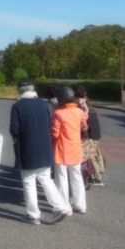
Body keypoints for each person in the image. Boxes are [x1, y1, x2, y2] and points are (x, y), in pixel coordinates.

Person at [10, 80, 69, 225]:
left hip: (27, 148)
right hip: (45, 147)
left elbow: (14, 129)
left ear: (20, 91)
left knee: (29, 181)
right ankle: (60, 207)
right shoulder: (44, 104)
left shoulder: (17, 106)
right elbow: (50, 123)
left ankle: (33, 215)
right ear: (32, 89)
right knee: (45, 178)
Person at [51, 86, 88, 215]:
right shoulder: (79, 111)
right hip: (75, 148)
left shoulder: (58, 113)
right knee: (77, 176)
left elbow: (55, 133)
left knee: (61, 178)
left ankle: (65, 207)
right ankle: (80, 204)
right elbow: (84, 126)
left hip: (61, 149)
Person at [74, 85, 105, 186]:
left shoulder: (81, 105)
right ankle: (98, 173)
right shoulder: (88, 104)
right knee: (94, 154)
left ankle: (98, 178)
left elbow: (83, 122)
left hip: (89, 135)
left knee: (89, 156)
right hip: (96, 134)